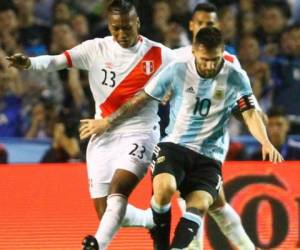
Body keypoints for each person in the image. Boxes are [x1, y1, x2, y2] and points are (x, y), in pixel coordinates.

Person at [83, 27, 283, 250]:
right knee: (164, 188)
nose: (209, 65)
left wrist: (265, 141)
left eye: (215, 59)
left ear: (222, 53)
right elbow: (141, 99)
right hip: (176, 146)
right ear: (195, 52)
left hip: (209, 156)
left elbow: (249, 113)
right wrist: (108, 121)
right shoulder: (177, 69)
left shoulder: (236, 76)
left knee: (201, 204)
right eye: (205, 59)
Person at [7, 0, 174, 249]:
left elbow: (184, 79)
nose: (121, 34)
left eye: (127, 27)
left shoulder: (160, 54)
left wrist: (173, 91)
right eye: (116, 28)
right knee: (106, 211)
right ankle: (151, 219)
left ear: (137, 22)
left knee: (119, 192)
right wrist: (30, 63)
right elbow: (56, 61)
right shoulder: (95, 49)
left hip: (141, 133)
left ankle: (96, 245)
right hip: (102, 134)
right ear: (108, 25)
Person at [173, 3, 262, 249]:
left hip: (212, 141)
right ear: (191, 26)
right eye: (200, 23)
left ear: (217, 27)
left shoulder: (230, 61)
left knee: (192, 198)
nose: (204, 27)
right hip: (178, 139)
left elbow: (243, 101)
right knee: (216, 203)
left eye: (210, 24)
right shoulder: (175, 58)